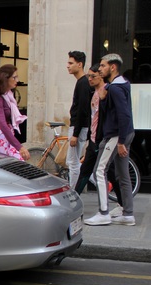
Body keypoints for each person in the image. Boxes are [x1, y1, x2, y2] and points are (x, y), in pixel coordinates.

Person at [85, 53, 135, 226]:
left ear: (113, 67)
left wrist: (121, 141)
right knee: (122, 174)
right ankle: (127, 214)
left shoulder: (115, 87)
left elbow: (124, 115)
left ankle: (103, 213)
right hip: (121, 134)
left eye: (103, 66)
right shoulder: (120, 85)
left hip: (116, 135)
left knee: (99, 170)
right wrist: (104, 99)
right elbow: (118, 113)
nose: (100, 69)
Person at [75, 64, 123, 215]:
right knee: (88, 171)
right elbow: (91, 117)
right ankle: (122, 205)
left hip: (103, 138)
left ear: (101, 76)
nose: (89, 79)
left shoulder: (108, 92)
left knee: (101, 172)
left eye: (93, 76)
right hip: (94, 138)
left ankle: (110, 210)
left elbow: (110, 116)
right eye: (88, 76)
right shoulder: (92, 93)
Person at [0, 64, 29, 161]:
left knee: (15, 166)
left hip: (5, 137)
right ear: (5, 79)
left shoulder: (7, 96)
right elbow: (2, 124)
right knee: (14, 165)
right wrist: (19, 147)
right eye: (14, 77)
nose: (17, 80)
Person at [66, 51, 91, 189]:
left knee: (73, 162)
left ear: (79, 64)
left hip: (78, 128)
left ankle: (73, 193)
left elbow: (82, 110)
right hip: (80, 127)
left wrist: (75, 133)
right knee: (74, 162)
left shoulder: (82, 83)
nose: (67, 66)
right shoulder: (83, 82)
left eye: (71, 63)